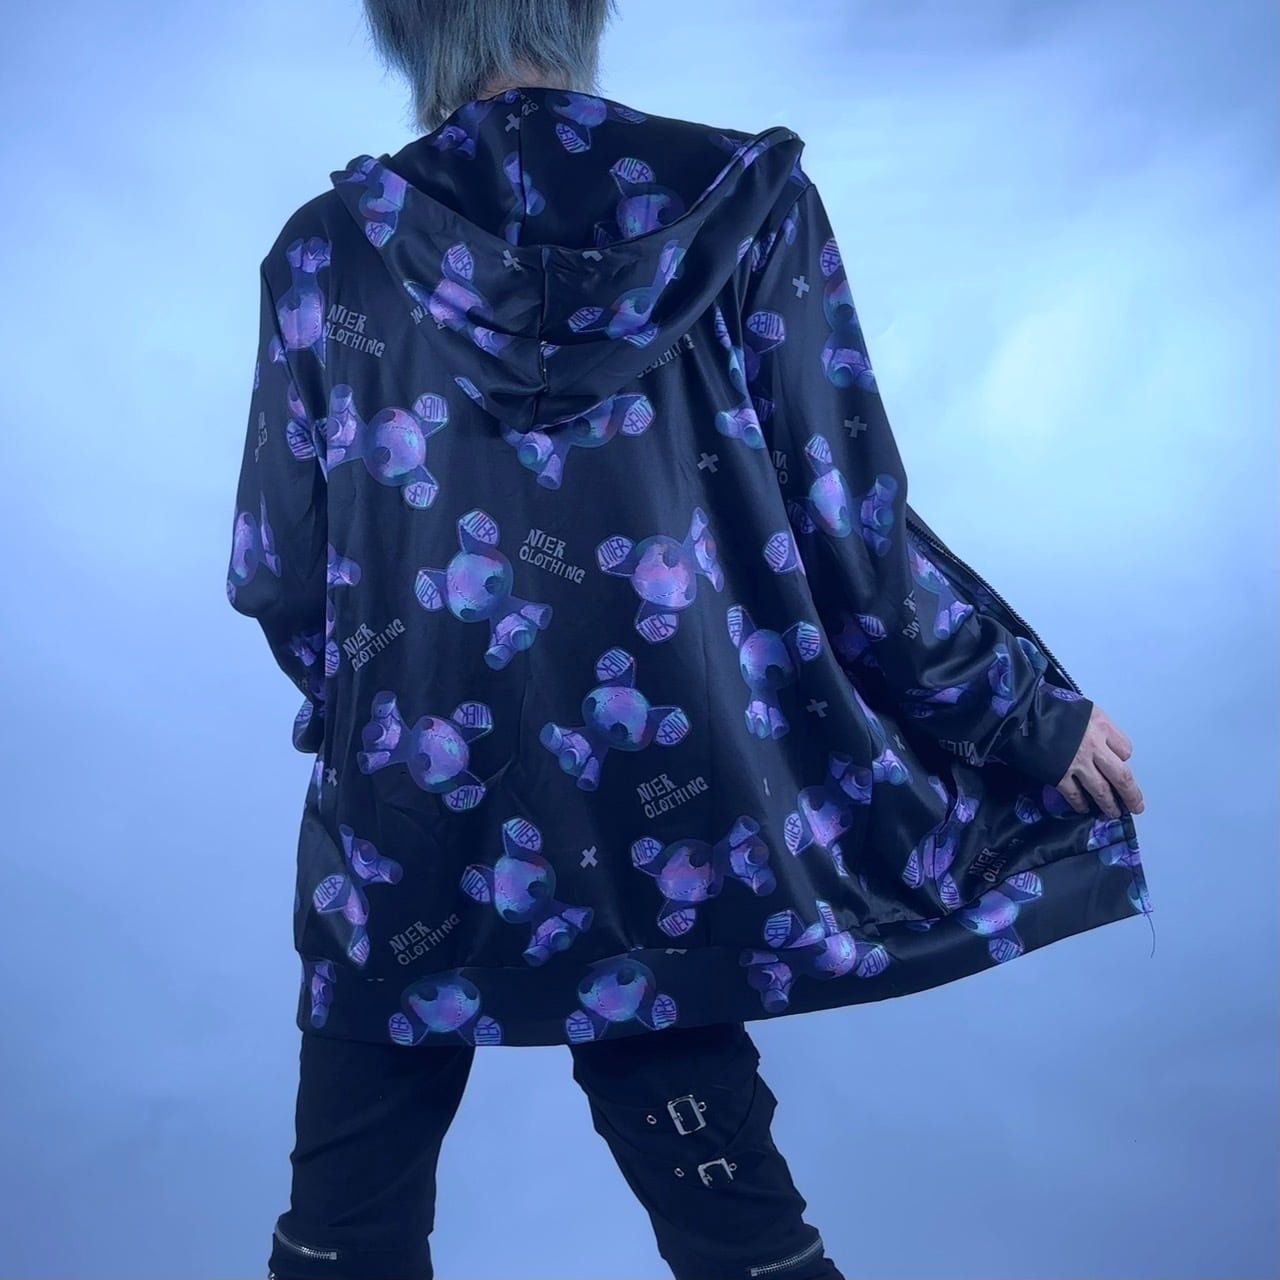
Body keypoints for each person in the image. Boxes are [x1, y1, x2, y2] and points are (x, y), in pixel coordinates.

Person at [225, 3, 1151, 1277]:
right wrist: (1018, 712)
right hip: (663, 827)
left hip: (410, 821)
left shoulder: (324, 253)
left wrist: (388, 704)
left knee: (344, 1233)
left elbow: (278, 569)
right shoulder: (742, 208)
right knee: (737, 1234)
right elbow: (850, 529)